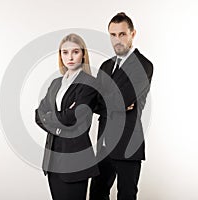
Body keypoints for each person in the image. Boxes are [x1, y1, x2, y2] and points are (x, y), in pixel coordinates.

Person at [89, 12, 153, 200]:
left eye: (122, 34)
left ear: (133, 34)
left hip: (128, 145)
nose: (117, 39)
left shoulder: (143, 65)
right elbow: (97, 102)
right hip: (104, 145)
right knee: (96, 194)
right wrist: (111, 101)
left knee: (126, 195)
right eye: (113, 34)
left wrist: (108, 100)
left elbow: (122, 100)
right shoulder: (106, 66)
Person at [35, 33, 99, 200]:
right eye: (65, 52)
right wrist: (58, 119)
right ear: (60, 55)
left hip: (75, 159)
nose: (69, 57)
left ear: (83, 54)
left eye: (75, 52)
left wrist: (51, 117)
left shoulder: (90, 83)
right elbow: (38, 114)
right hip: (53, 158)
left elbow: (72, 118)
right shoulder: (56, 83)